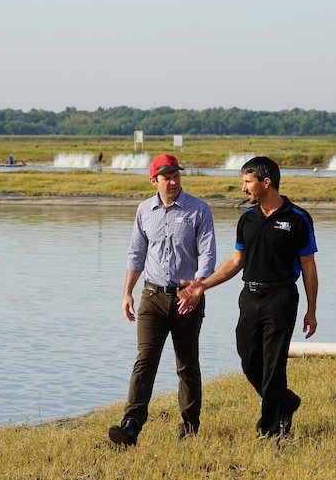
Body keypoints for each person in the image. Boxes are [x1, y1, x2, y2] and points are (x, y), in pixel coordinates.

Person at [178, 156, 318, 438]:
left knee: (274, 365)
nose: (243, 188)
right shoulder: (247, 219)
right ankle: (286, 402)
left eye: (247, 181)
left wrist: (311, 310)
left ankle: (271, 430)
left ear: (266, 183)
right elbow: (236, 261)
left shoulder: (298, 218)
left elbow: (308, 267)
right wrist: (202, 284)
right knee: (249, 360)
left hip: (281, 298)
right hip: (249, 297)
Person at [108, 154, 217, 446]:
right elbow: (136, 254)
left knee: (187, 364)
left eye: (176, 175)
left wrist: (198, 289)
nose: (173, 180)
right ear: (153, 179)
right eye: (167, 176)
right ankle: (130, 426)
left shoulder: (199, 210)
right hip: (152, 297)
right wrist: (127, 292)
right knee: (145, 361)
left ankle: (189, 426)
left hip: (187, 298)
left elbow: (208, 255)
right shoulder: (145, 211)